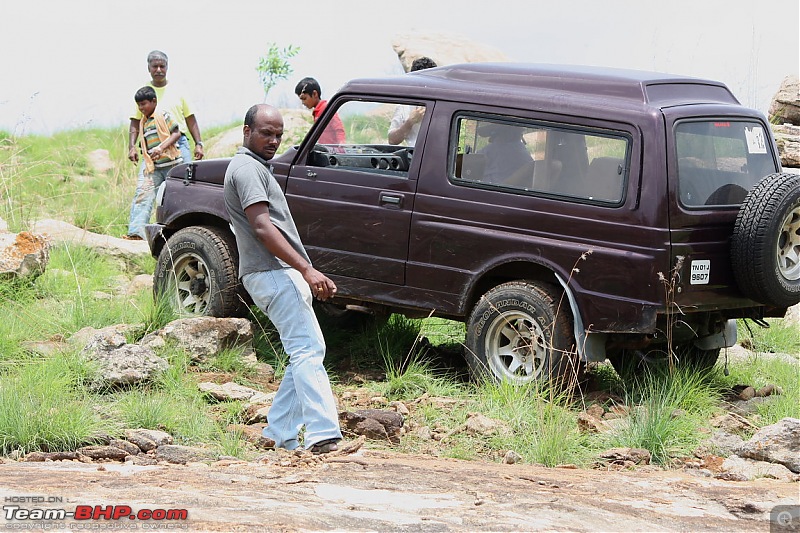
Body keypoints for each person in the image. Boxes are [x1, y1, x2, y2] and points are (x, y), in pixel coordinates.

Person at [223, 104, 343, 454]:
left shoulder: (255, 167)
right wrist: (306, 269)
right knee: (307, 350)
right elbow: (262, 226)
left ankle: (278, 433)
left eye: (278, 134)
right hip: (273, 272)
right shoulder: (246, 169)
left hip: (272, 274)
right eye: (266, 133)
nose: (274, 140)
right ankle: (323, 434)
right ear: (247, 132)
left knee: (304, 350)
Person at [125, 86, 183, 240]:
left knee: (173, 199)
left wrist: (161, 147)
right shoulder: (143, 122)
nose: (141, 108)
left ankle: (176, 234)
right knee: (143, 194)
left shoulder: (163, 115)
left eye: (144, 104)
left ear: (154, 101)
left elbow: (176, 133)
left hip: (172, 165)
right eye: (139, 105)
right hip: (154, 167)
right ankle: (136, 232)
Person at [128, 50, 204, 165]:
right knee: (146, 182)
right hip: (152, 146)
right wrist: (131, 147)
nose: (159, 70)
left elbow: (190, 118)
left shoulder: (179, 90)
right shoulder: (143, 92)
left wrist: (198, 144)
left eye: (162, 66)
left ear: (167, 68)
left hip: (178, 143)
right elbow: (135, 121)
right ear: (149, 68)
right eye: (155, 66)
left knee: (184, 180)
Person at [388, 57, 437, 146]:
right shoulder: (405, 106)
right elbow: (392, 140)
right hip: (414, 156)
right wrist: (410, 122)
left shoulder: (442, 105)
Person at [294, 77, 346, 145]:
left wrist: (341, 145)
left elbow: (338, 128)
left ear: (315, 94)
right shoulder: (317, 111)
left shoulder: (325, 108)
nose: (303, 102)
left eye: (304, 98)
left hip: (332, 151)